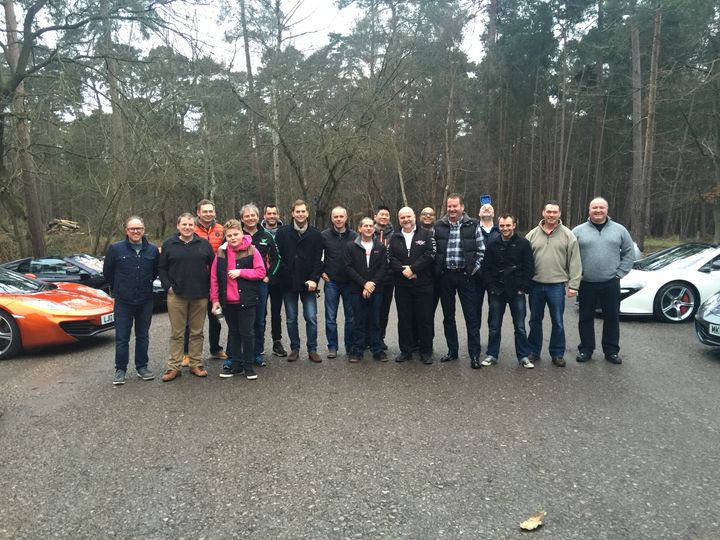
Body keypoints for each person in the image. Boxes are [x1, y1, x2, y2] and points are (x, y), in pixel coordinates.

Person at [572, 197, 635, 364]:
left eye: (601, 208)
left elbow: (629, 252)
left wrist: (620, 273)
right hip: (586, 282)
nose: (598, 211)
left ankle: (611, 351)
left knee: (612, 317)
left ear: (607, 210)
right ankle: (586, 349)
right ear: (589, 210)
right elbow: (569, 255)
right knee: (585, 318)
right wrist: (576, 275)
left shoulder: (620, 230)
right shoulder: (578, 231)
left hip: (611, 282)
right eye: (594, 208)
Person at [159, 213, 215, 381]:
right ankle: (174, 367)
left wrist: (210, 288)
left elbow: (213, 268)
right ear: (178, 226)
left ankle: (195, 364)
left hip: (200, 295)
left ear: (194, 226)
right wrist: (167, 286)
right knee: (177, 333)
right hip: (177, 295)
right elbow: (161, 268)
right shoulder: (169, 244)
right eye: (184, 224)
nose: (187, 227)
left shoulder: (204, 244)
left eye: (190, 225)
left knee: (197, 332)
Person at [525, 200, 582, 367]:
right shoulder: (532, 235)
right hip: (535, 285)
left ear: (559, 214)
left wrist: (574, 285)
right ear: (543, 213)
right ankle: (533, 351)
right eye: (548, 212)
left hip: (556, 286)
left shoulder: (568, 235)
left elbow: (575, 261)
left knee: (557, 321)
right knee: (534, 320)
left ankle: (557, 353)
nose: (551, 215)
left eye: (554, 212)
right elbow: (524, 261)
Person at [103, 216, 159, 386]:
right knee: (122, 337)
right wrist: (120, 287)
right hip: (123, 301)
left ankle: (142, 367)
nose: (136, 231)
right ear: (126, 230)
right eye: (132, 228)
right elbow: (108, 273)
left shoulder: (152, 250)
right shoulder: (115, 249)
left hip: (145, 300)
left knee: (143, 336)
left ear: (144, 230)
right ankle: (120, 369)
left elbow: (155, 272)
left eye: (139, 228)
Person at [433, 194, 484, 368]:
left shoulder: (473, 224)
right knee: (448, 317)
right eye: (449, 206)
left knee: (471, 317)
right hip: (446, 276)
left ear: (462, 207)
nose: (452, 209)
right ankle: (452, 351)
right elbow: (433, 251)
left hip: (466, 276)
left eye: (455, 206)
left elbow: (481, 250)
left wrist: (474, 269)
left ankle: (474, 355)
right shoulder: (438, 226)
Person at [211, 219, 266, 380]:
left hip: (247, 300)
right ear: (226, 237)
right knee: (234, 333)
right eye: (229, 236)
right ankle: (236, 365)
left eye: (236, 234)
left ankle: (248, 367)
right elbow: (214, 278)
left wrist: (241, 272)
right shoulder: (221, 252)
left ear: (242, 233)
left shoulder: (252, 250)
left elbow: (261, 272)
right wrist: (215, 300)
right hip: (228, 302)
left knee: (247, 333)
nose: (233, 238)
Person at [481, 214, 535, 369]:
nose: (505, 228)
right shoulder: (492, 244)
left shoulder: (523, 243)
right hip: (497, 290)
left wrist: (523, 287)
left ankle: (523, 356)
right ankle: (492, 354)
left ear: (514, 225)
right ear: (498, 226)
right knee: (494, 325)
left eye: (508, 225)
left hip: (516, 290)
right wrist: (491, 287)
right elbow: (486, 267)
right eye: (502, 226)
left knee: (520, 326)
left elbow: (529, 267)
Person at [274, 199, 324, 362]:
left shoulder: (316, 234)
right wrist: (286, 274)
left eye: (303, 211)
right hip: (288, 283)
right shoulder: (282, 233)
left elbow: (319, 259)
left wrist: (314, 279)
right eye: (298, 211)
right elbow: (277, 257)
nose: (300, 214)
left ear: (307, 213)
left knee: (311, 317)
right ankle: (294, 348)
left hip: (308, 284)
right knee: (291, 318)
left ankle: (312, 349)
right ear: (292, 213)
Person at [388, 207, 436, 364]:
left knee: (425, 318)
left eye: (408, 216)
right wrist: (404, 271)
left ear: (414, 217)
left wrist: (413, 269)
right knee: (404, 318)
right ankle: (406, 351)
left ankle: (426, 351)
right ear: (399, 219)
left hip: (423, 283)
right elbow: (390, 257)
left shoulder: (426, 234)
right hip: (402, 285)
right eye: (402, 217)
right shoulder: (394, 236)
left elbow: (430, 254)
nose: (406, 220)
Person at [183, 199, 226, 364]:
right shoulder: (189, 228)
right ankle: (187, 353)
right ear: (198, 213)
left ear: (214, 212)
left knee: (216, 316)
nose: (208, 214)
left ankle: (216, 348)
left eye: (211, 211)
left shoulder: (221, 229)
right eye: (205, 211)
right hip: (196, 279)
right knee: (192, 319)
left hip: (216, 279)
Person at [240, 204, 280, 367]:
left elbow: (277, 259)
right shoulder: (236, 233)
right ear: (242, 218)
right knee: (240, 320)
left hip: (260, 284)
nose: (250, 218)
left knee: (259, 319)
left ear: (258, 217)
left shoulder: (266, 235)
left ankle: (257, 352)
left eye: (253, 215)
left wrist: (268, 277)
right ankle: (240, 353)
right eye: (247, 216)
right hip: (240, 283)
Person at [344, 217, 388, 362]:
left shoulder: (380, 247)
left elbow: (384, 267)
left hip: (377, 289)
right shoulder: (350, 246)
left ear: (374, 229)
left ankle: (378, 350)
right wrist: (364, 284)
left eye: (371, 226)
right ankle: (357, 351)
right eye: (366, 226)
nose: (369, 228)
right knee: (358, 321)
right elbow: (348, 268)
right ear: (360, 229)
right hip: (357, 290)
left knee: (375, 321)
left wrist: (372, 284)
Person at [321, 206, 357, 358]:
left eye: (341, 216)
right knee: (330, 318)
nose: (338, 219)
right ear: (332, 218)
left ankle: (350, 346)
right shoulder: (324, 236)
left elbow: (360, 258)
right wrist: (321, 272)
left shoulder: (354, 236)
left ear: (346, 218)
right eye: (335, 217)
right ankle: (332, 347)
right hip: (332, 282)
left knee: (351, 317)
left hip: (350, 282)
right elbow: (316, 256)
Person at [261, 204, 288, 358]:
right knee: (261, 312)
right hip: (261, 278)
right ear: (264, 215)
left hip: (279, 278)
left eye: (274, 213)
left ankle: (277, 341)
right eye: (269, 213)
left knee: (276, 312)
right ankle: (259, 342)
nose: (271, 216)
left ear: (278, 215)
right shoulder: (258, 231)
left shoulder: (284, 231)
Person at [476, 203, 500, 330]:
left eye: (489, 208)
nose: (486, 209)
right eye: (483, 208)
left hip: (494, 276)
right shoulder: (473, 229)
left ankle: (493, 336)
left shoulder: (500, 230)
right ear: (479, 213)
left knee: (495, 309)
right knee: (474, 310)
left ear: (493, 214)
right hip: (476, 275)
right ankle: (475, 339)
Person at [373, 206, 395, 348]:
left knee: (384, 310)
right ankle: (368, 338)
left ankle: (380, 338)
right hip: (371, 278)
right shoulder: (368, 231)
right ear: (375, 216)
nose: (384, 217)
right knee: (370, 309)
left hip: (389, 278)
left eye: (386, 215)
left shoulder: (395, 234)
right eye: (381, 214)